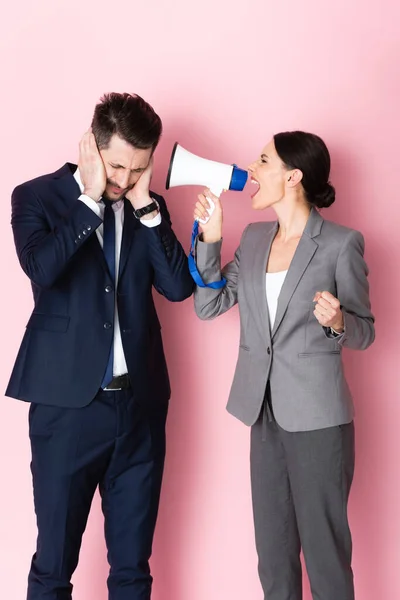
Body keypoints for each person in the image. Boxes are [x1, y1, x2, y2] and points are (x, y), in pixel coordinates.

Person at [6, 92, 194, 600]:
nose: (124, 180)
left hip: (139, 408)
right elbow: (42, 268)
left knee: (133, 569)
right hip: (66, 409)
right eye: (115, 166)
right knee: (53, 565)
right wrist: (91, 200)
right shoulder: (37, 197)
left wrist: (148, 211)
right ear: (91, 146)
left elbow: (178, 288)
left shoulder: (145, 206)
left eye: (137, 169)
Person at [192, 131, 375, 600]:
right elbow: (210, 307)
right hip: (263, 414)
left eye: (263, 161)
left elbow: (365, 329)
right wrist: (210, 241)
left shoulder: (339, 243)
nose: (251, 170)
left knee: (325, 558)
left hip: (317, 420)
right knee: (273, 559)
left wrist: (338, 322)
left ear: (293, 176)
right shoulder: (254, 239)